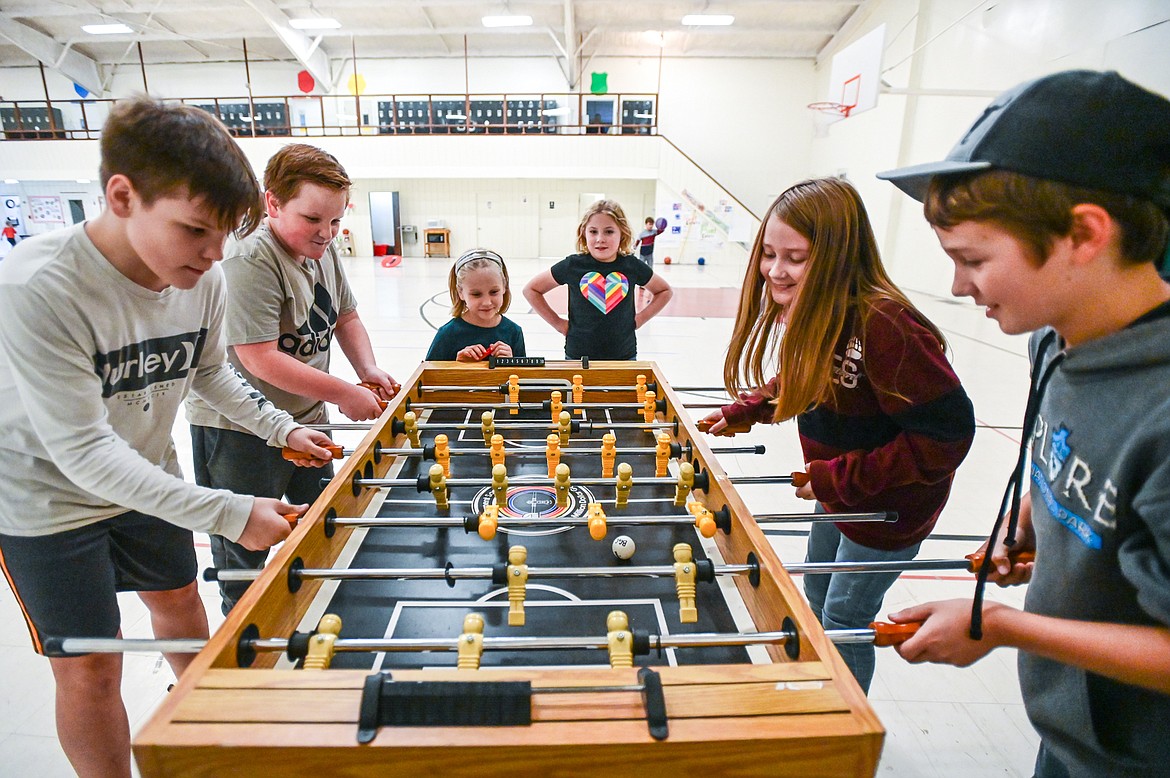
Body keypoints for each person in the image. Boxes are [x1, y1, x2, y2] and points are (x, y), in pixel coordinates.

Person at [0, 97, 336, 778]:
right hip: (46, 504)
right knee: (92, 666)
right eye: (195, 231)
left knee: (183, 609)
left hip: (148, 478)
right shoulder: (39, 288)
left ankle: (209, 743)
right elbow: (84, 454)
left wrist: (281, 429)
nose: (216, 255)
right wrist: (232, 512)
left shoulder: (203, 279)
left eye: (226, 235)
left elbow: (208, 373)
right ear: (122, 196)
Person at [877, 70, 1170, 777]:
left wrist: (998, 624)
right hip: (1074, 732)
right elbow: (1075, 452)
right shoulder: (1057, 338)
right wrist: (1034, 515)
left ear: (1084, 233)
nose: (956, 286)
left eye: (973, 260)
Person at [700, 177, 974, 694]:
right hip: (842, 495)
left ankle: (845, 726)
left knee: (845, 618)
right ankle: (824, 700)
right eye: (768, 254)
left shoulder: (885, 325)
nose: (776, 271)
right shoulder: (817, 308)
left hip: (888, 512)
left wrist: (840, 477)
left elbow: (948, 434)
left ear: (838, 255)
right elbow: (809, 377)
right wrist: (753, 408)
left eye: (796, 258)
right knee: (819, 600)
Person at [186, 143, 399, 614]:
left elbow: (346, 315)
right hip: (239, 431)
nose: (326, 233)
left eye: (337, 221)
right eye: (313, 219)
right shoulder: (250, 259)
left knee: (329, 524)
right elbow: (259, 359)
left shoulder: (321, 249)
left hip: (306, 419)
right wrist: (345, 392)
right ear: (273, 203)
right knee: (245, 556)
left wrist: (366, 370)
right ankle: (246, 642)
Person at [523, 199, 673, 360]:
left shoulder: (631, 266)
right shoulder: (573, 265)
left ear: (622, 233)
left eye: (609, 231)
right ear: (584, 233)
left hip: (623, 356)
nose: (600, 238)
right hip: (578, 357)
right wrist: (559, 324)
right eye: (593, 231)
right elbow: (531, 290)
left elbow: (664, 291)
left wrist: (641, 319)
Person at [425, 248, 526, 361]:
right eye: (476, 294)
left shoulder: (514, 332)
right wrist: (457, 366)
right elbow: (429, 375)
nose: (487, 302)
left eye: (493, 292)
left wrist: (511, 363)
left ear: (504, 287)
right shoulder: (447, 335)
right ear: (461, 293)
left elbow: (521, 377)